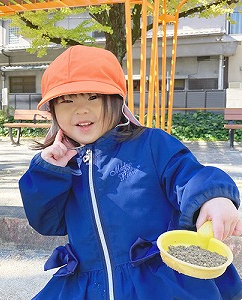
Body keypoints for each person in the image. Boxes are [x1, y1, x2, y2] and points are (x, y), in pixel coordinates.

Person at [19, 45, 242, 300]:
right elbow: (47, 222)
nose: (80, 109)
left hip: (158, 280)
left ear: (117, 101)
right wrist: (49, 173)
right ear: (53, 111)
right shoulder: (63, 164)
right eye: (66, 100)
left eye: (93, 97)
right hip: (91, 285)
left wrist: (214, 198)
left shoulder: (151, 144)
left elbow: (189, 175)